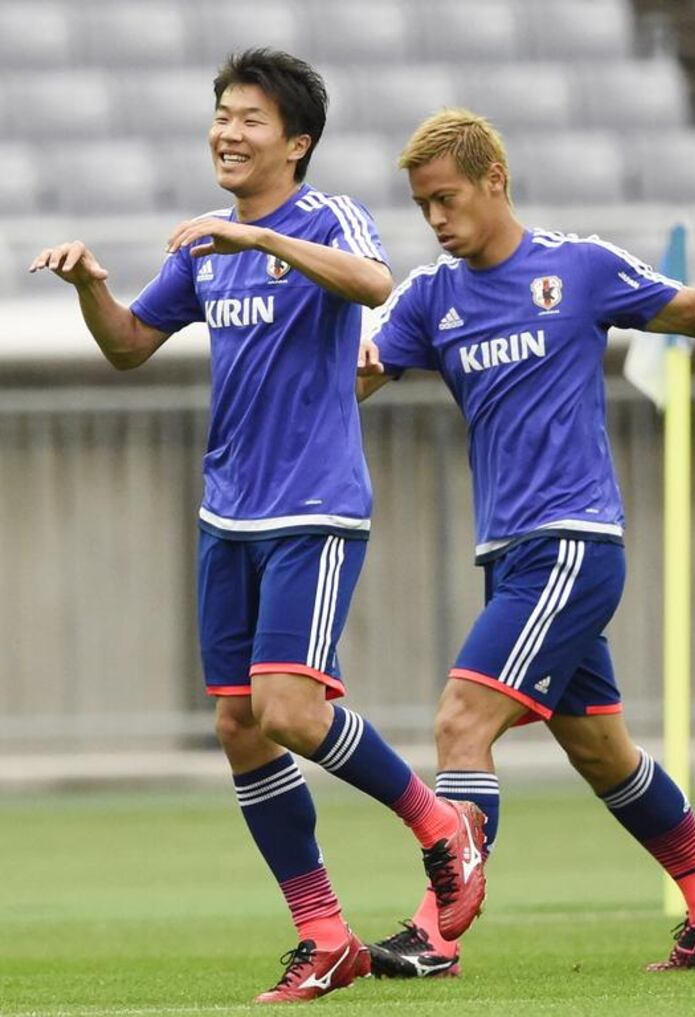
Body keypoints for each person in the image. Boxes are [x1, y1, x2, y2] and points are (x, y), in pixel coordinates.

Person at [28, 54, 486, 1005]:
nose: (227, 133)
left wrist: (255, 236)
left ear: (297, 142)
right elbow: (130, 346)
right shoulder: (204, 249)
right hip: (225, 513)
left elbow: (373, 281)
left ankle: (442, 826)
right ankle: (325, 936)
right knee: (239, 724)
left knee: (288, 709)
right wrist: (89, 288)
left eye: (249, 119)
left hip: (312, 507)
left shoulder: (324, 218)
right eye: (222, 116)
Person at [358, 107, 695, 977]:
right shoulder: (431, 295)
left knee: (460, 719)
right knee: (600, 749)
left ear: (494, 182)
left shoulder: (578, 267)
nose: (436, 221)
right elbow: (360, 373)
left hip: (573, 544)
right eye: (422, 207)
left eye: (446, 200)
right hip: (511, 555)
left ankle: (437, 929)